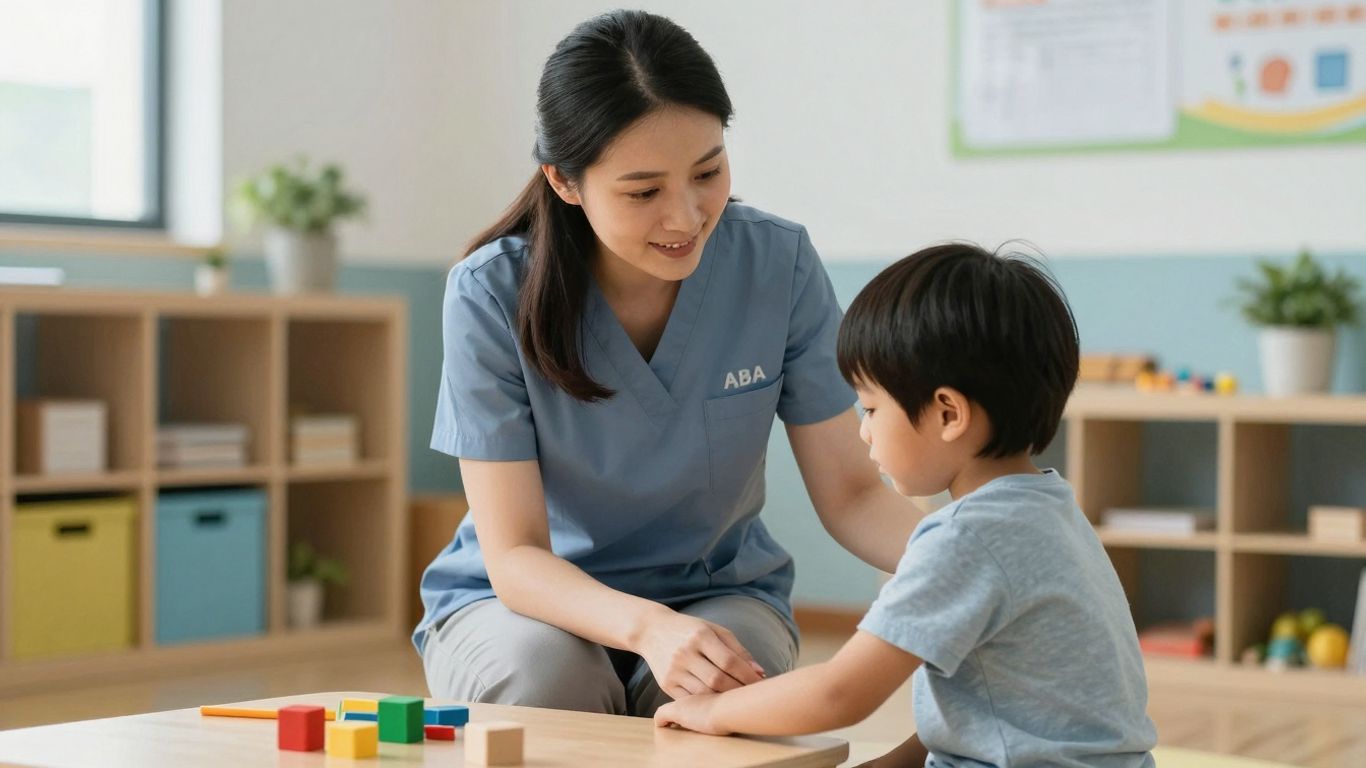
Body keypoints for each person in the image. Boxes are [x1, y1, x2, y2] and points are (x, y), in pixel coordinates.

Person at [416, 9, 918, 718]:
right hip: (527, 605)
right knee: (549, 683)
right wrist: (649, 628)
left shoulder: (777, 265)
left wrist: (966, 560)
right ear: (564, 181)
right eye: (643, 192)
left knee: (728, 692)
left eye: (708, 171)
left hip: (716, 592)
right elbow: (518, 555)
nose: (685, 217)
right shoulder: (489, 292)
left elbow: (855, 494)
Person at [655, 243, 1159, 768]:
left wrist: (716, 711)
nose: (864, 432)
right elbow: (983, 712)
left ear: (948, 413)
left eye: (871, 407)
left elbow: (839, 694)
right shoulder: (1051, 510)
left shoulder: (964, 540)